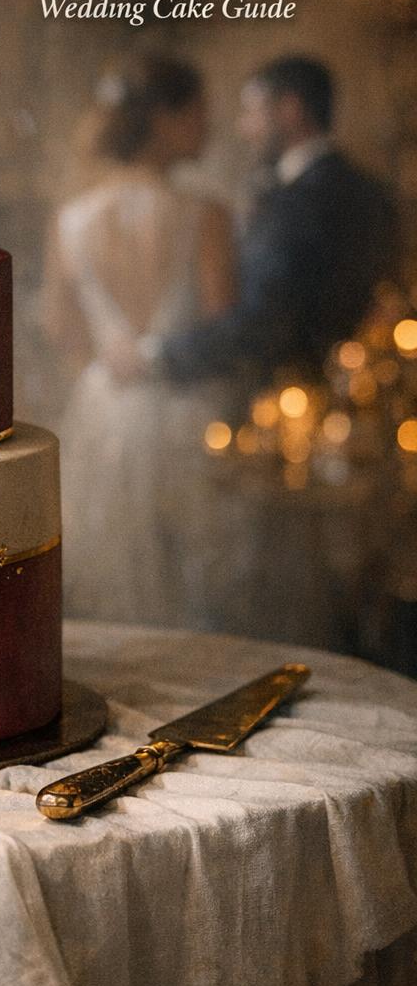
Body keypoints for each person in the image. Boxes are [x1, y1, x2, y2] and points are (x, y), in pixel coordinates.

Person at [46, 53, 246, 627]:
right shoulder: (206, 213)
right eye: (199, 113)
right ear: (163, 119)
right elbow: (220, 324)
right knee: (193, 588)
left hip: (105, 411)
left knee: (113, 582)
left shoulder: (71, 218)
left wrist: (110, 364)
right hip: (187, 412)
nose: (210, 126)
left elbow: (61, 327)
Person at [116, 55, 400, 387]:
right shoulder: (365, 189)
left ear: (290, 110)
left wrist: (156, 355)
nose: (243, 129)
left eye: (252, 112)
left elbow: (264, 320)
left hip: (305, 392)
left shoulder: (300, 202)